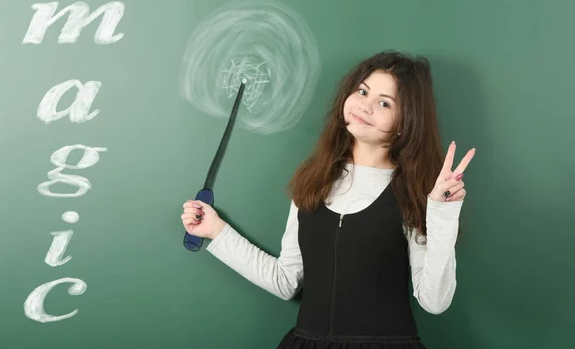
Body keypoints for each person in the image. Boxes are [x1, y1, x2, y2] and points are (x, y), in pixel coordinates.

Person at [181, 50, 476, 348]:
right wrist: (216, 231)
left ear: (405, 122)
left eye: (384, 103)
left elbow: (434, 301)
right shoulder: (313, 180)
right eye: (362, 91)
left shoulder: (413, 193)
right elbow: (285, 281)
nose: (365, 105)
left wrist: (442, 212)